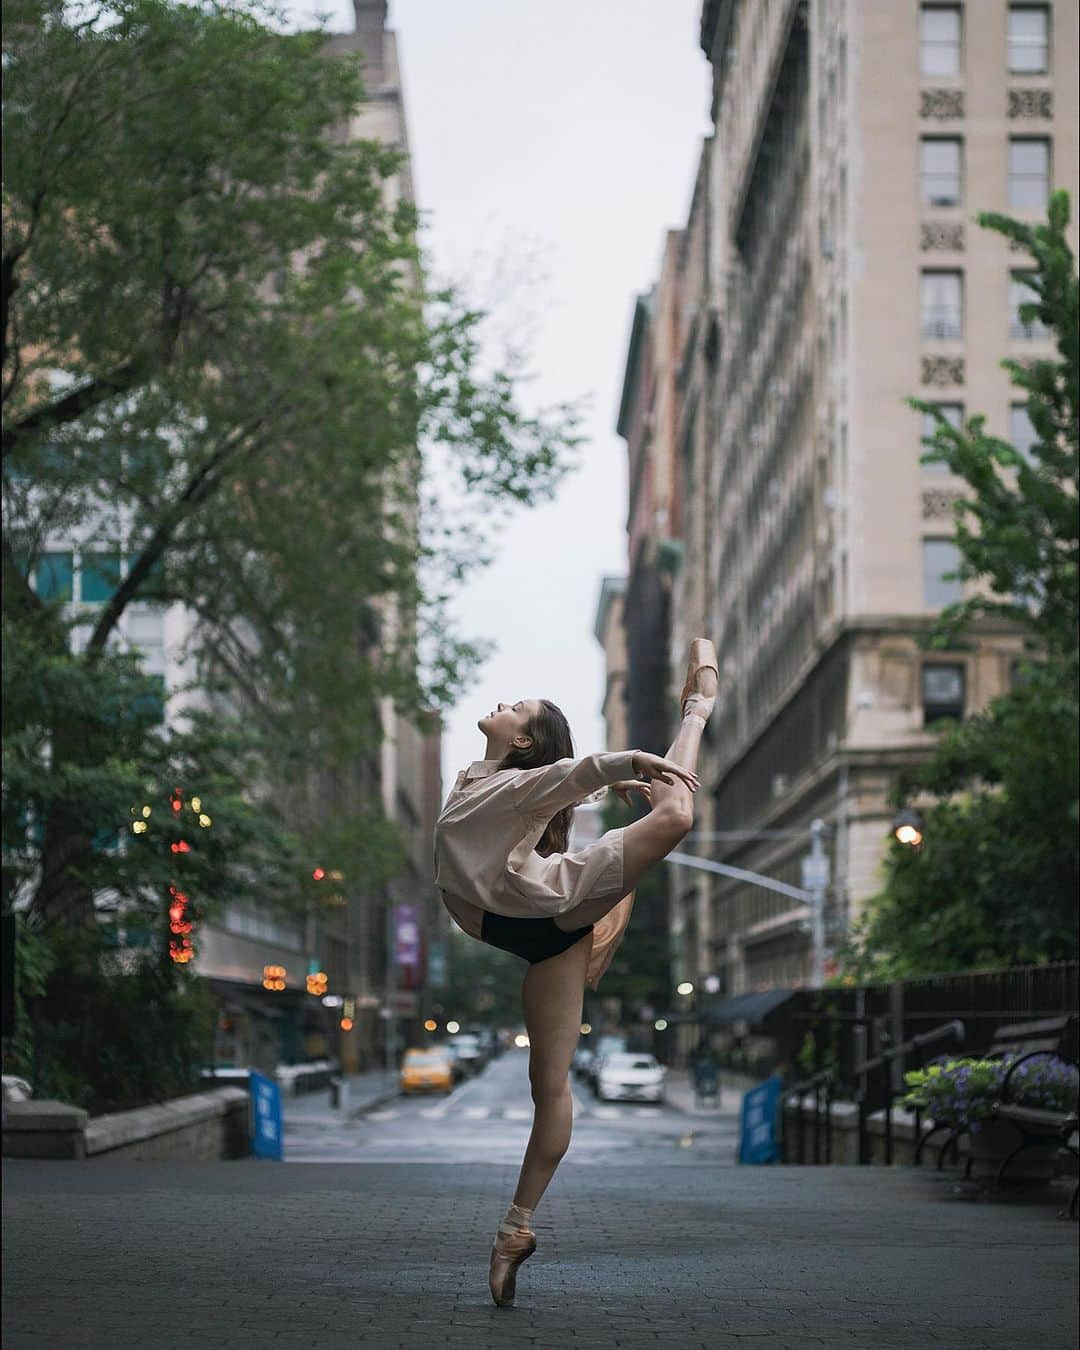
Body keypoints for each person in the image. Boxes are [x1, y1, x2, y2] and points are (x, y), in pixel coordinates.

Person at [433, 638, 719, 1308]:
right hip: (520, 924)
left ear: (526, 740)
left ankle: (698, 709)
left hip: (552, 908)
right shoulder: (484, 780)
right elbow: (557, 781)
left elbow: (565, 774)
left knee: (676, 812)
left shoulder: (517, 782)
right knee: (546, 1087)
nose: (503, 703)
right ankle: (514, 1235)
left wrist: (617, 764)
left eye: (519, 706)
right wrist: (600, 777)